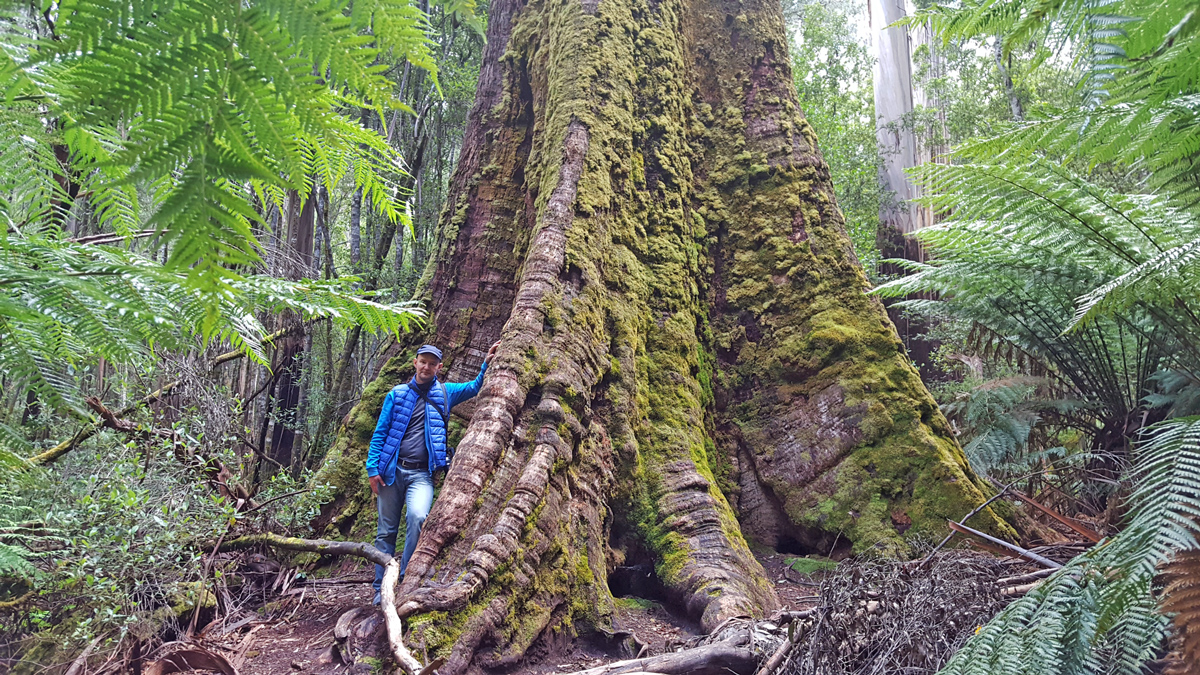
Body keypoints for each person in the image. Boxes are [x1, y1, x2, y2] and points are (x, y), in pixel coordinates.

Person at [366, 341, 500, 605]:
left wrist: (487, 362)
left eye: (432, 363)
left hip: (422, 475)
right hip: (392, 471)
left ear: (439, 367)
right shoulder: (396, 394)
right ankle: (380, 588)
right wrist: (373, 469)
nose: (426, 367)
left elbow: (475, 387)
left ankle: (404, 579)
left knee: (418, 518)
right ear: (415, 363)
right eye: (422, 362)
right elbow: (380, 433)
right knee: (386, 532)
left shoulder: (446, 393)